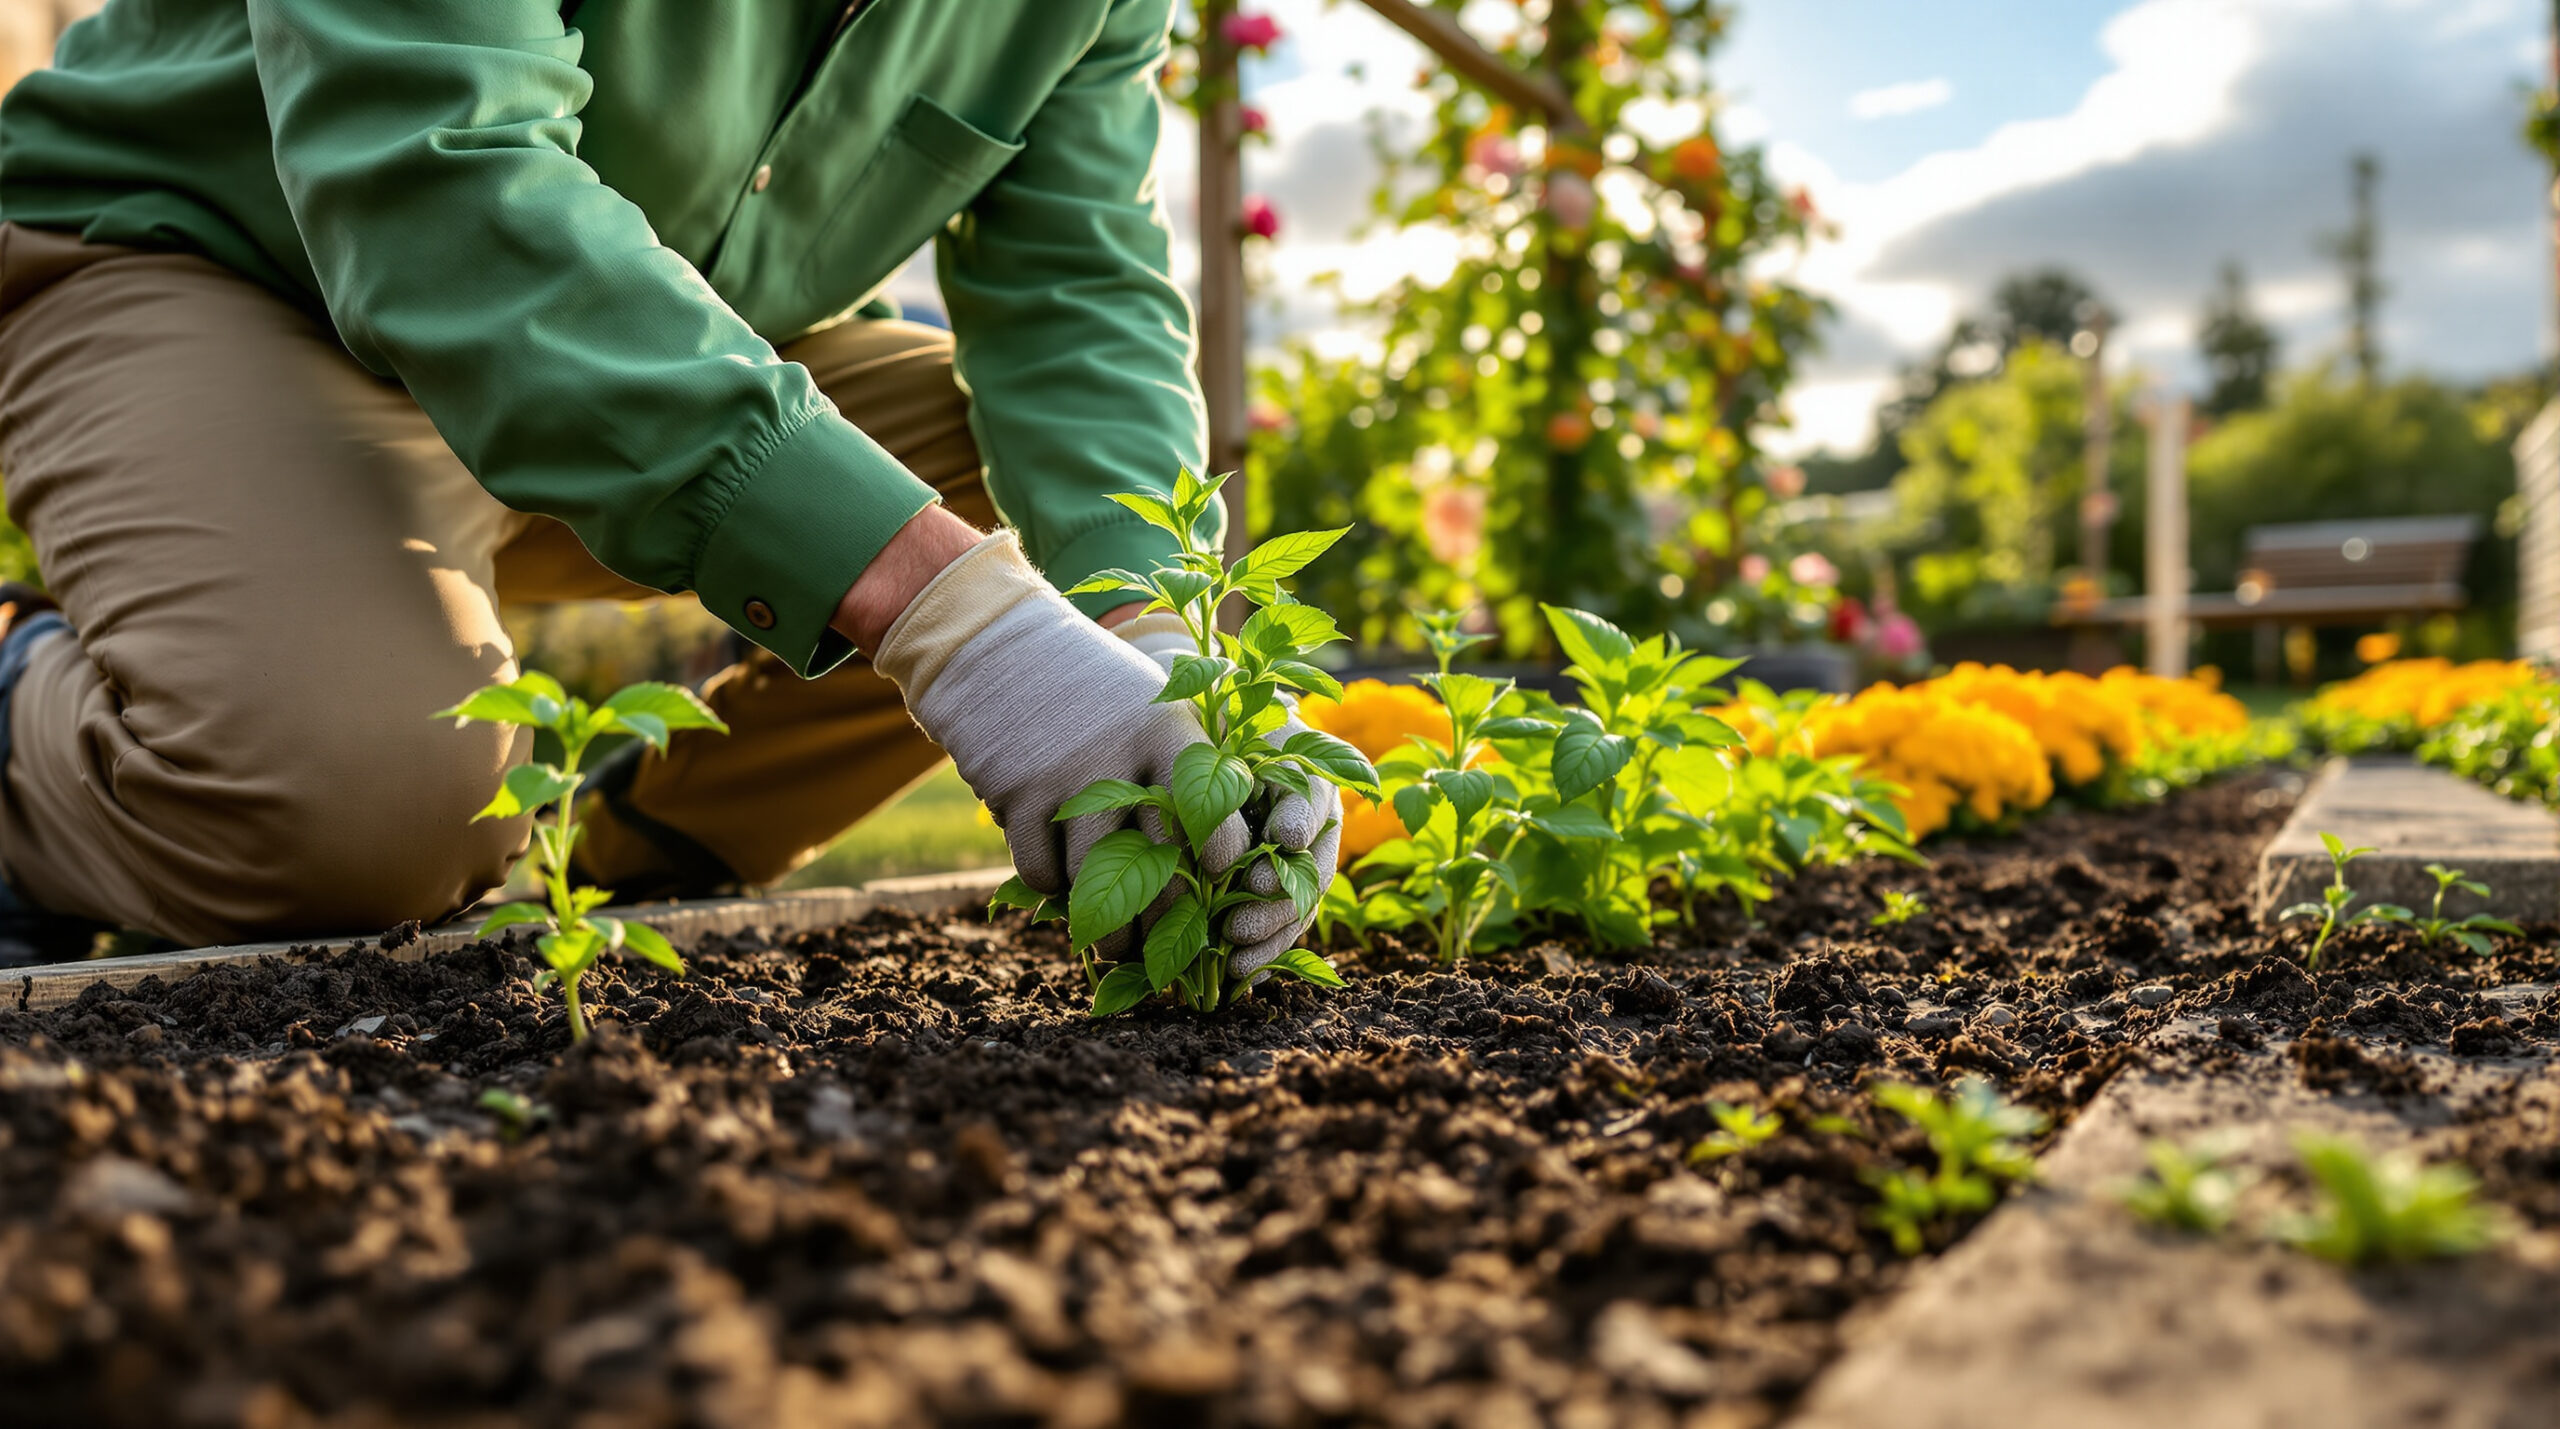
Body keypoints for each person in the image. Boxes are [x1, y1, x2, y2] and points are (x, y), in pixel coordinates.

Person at [0, 0, 1337, 969]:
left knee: (1045, 532)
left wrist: (1168, 647)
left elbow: (1075, 295)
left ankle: (641, 840)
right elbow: (440, 178)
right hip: (218, 270)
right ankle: (25, 700)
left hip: (668, 345)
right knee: (360, 817)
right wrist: (961, 625)